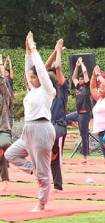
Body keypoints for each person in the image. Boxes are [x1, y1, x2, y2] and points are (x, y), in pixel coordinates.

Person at [5, 31, 56, 211]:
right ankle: (34, 169)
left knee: (43, 173)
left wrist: (34, 49)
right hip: (28, 130)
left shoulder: (47, 90)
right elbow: (29, 70)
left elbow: (40, 70)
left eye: (34, 77)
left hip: (42, 129)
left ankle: (41, 204)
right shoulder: (33, 91)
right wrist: (27, 51)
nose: (31, 79)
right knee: (10, 155)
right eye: (31, 77)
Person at [45, 39, 69, 191]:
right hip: (48, 127)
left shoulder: (63, 88)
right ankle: (57, 186)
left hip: (59, 126)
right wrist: (55, 51)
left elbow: (57, 66)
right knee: (52, 158)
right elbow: (44, 67)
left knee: (54, 152)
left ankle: (54, 151)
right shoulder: (47, 92)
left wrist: (59, 50)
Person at [66, 57, 92, 163]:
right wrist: (76, 67)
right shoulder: (78, 87)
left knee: (84, 135)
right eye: (80, 79)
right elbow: (73, 77)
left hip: (85, 114)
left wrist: (81, 63)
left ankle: (85, 157)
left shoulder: (87, 86)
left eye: (82, 79)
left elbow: (85, 72)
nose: (80, 80)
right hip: (78, 114)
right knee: (63, 118)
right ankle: (75, 124)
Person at [0, 55, 12, 191]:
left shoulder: (4, 97)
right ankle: (5, 179)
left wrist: (1, 63)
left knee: (4, 146)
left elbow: (2, 82)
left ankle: (5, 179)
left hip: (3, 128)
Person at [3, 55, 14, 128]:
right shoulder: (3, 78)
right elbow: (2, 69)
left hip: (10, 97)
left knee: (10, 111)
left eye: (7, 72)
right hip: (4, 97)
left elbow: (11, 69)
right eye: (5, 72)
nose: (6, 72)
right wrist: (5, 61)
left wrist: (9, 61)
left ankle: (10, 125)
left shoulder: (10, 78)